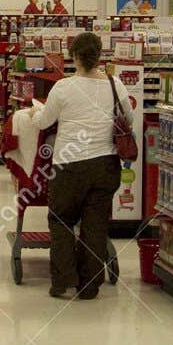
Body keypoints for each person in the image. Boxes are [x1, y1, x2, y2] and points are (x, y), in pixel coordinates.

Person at [29, 31, 124, 299]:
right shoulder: (115, 85)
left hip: (69, 165)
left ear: (74, 57)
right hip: (105, 164)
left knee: (60, 220)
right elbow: (126, 116)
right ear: (100, 54)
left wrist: (35, 112)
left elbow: (44, 122)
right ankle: (90, 285)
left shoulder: (64, 87)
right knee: (94, 225)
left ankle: (62, 282)